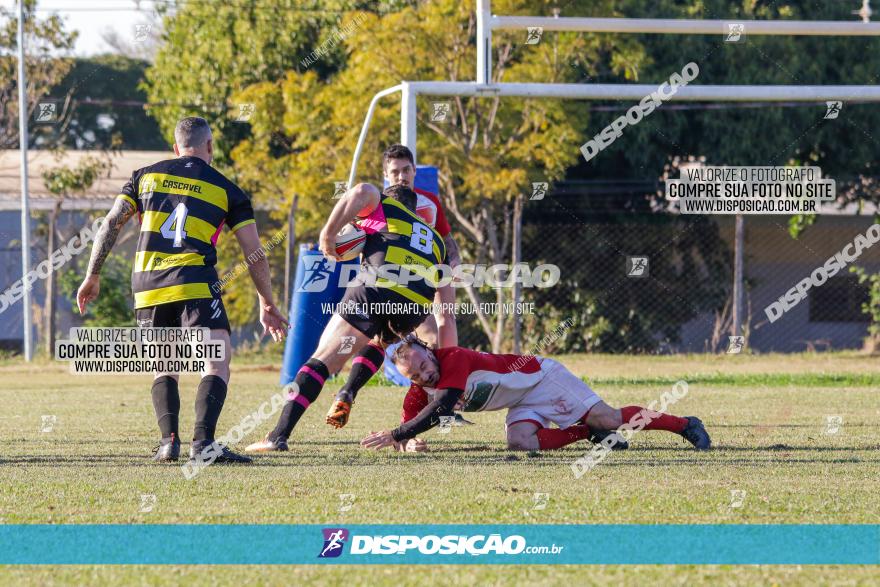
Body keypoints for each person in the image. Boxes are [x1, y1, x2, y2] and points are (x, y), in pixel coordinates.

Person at [76, 116, 288, 464]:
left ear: (175, 148)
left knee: (164, 363)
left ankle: (167, 443)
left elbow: (112, 222)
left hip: (147, 285)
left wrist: (92, 274)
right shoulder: (228, 190)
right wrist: (267, 302)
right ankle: (203, 443)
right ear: (210, 147)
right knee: (216, 361)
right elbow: (255, 254)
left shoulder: (144, 176)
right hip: (195, 282)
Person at [245, 183, 447, 452]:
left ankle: (277, 436)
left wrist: (328, 234)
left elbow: (362, 190)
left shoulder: (384, 205)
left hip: (378, 287)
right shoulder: (437, 239)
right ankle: (348, 391)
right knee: (376, 342)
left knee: (322, 359)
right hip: (415, 306)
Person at [360, 338, 711, 453]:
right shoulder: (417, 392)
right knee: (520, 442)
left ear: (429, 349)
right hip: (521, 399)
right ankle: (589, 434)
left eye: (424, 363)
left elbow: (441, 409)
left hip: (542, 377)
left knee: (610, 417)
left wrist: (397, 434)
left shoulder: (454, 358)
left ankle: (684, 424)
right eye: (415, 375)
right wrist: (407, 444)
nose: (425, 374)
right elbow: (411, 426)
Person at [324, 144, 461, 429]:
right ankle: (425, 412)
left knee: (432, 341)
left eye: (406, 170)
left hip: (425, 282)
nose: (401, 176)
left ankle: (440, 405)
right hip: (383, 281)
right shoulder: (377, 202)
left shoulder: (430, 202)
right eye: (395, 172)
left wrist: (452, 271)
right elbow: (356, 235)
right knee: (386, 342)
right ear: (385, 175)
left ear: (414, 171)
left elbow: (447, 242)